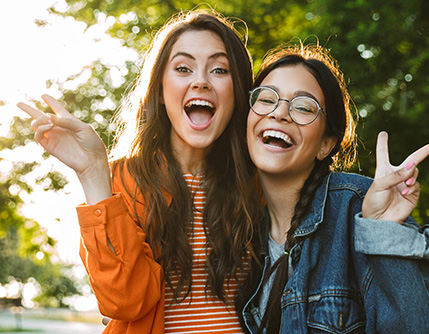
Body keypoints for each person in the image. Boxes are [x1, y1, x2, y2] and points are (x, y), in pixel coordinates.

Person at [17, 10, 262, 334]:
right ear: (160, 90)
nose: (201, 80)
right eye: (183, 68)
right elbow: (125, 302)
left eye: (219, 69)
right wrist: (92, 173)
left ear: (239, 90)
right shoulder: (122, 181)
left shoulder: (258, 185)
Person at [239, 44, 429, 333]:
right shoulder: (237, 231)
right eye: (266, 99)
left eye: (303, 107)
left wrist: (385, 234)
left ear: (326, 144)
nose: (280, 113)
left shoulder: (362, 208)